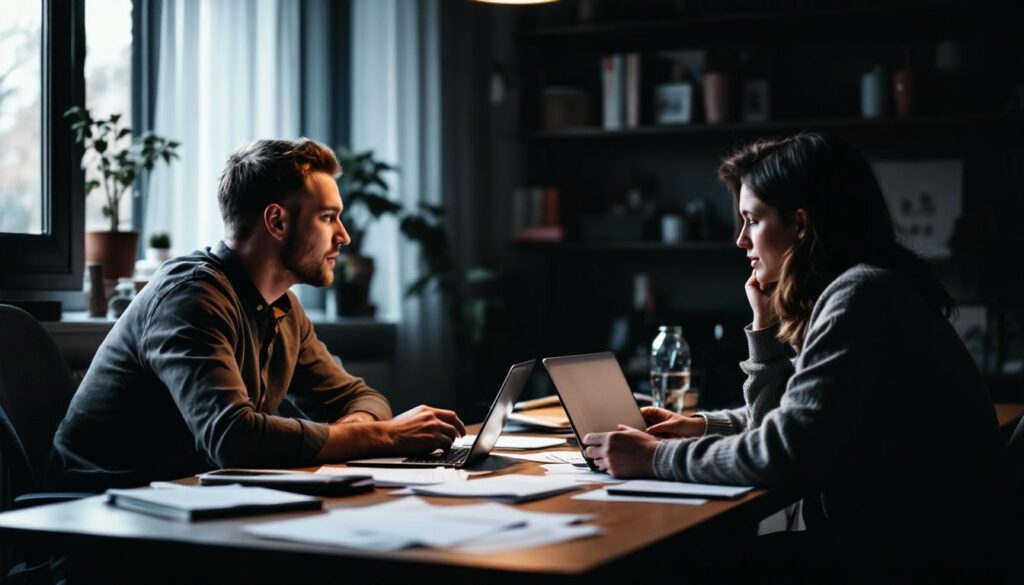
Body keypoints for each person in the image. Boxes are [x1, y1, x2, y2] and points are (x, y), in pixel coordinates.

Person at [582, 132, 1005, 573]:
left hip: (904, 555)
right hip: (916, 540)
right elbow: (797, 420)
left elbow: (783, 453)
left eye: (753, 219)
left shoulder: (858, 297)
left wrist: (652, 458)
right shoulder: (873, 286)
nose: (741, 240)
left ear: (800, 226)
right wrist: (700, 425)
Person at [48, 139, 465, 491]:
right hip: (101, 525)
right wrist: (378, 435)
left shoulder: (282, 306)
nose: (344, 236)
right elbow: (233, 439)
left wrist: (359, 430)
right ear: (277, 221)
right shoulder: (190, 298)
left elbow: (362, 397)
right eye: (327, 218)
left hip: (191, 506)